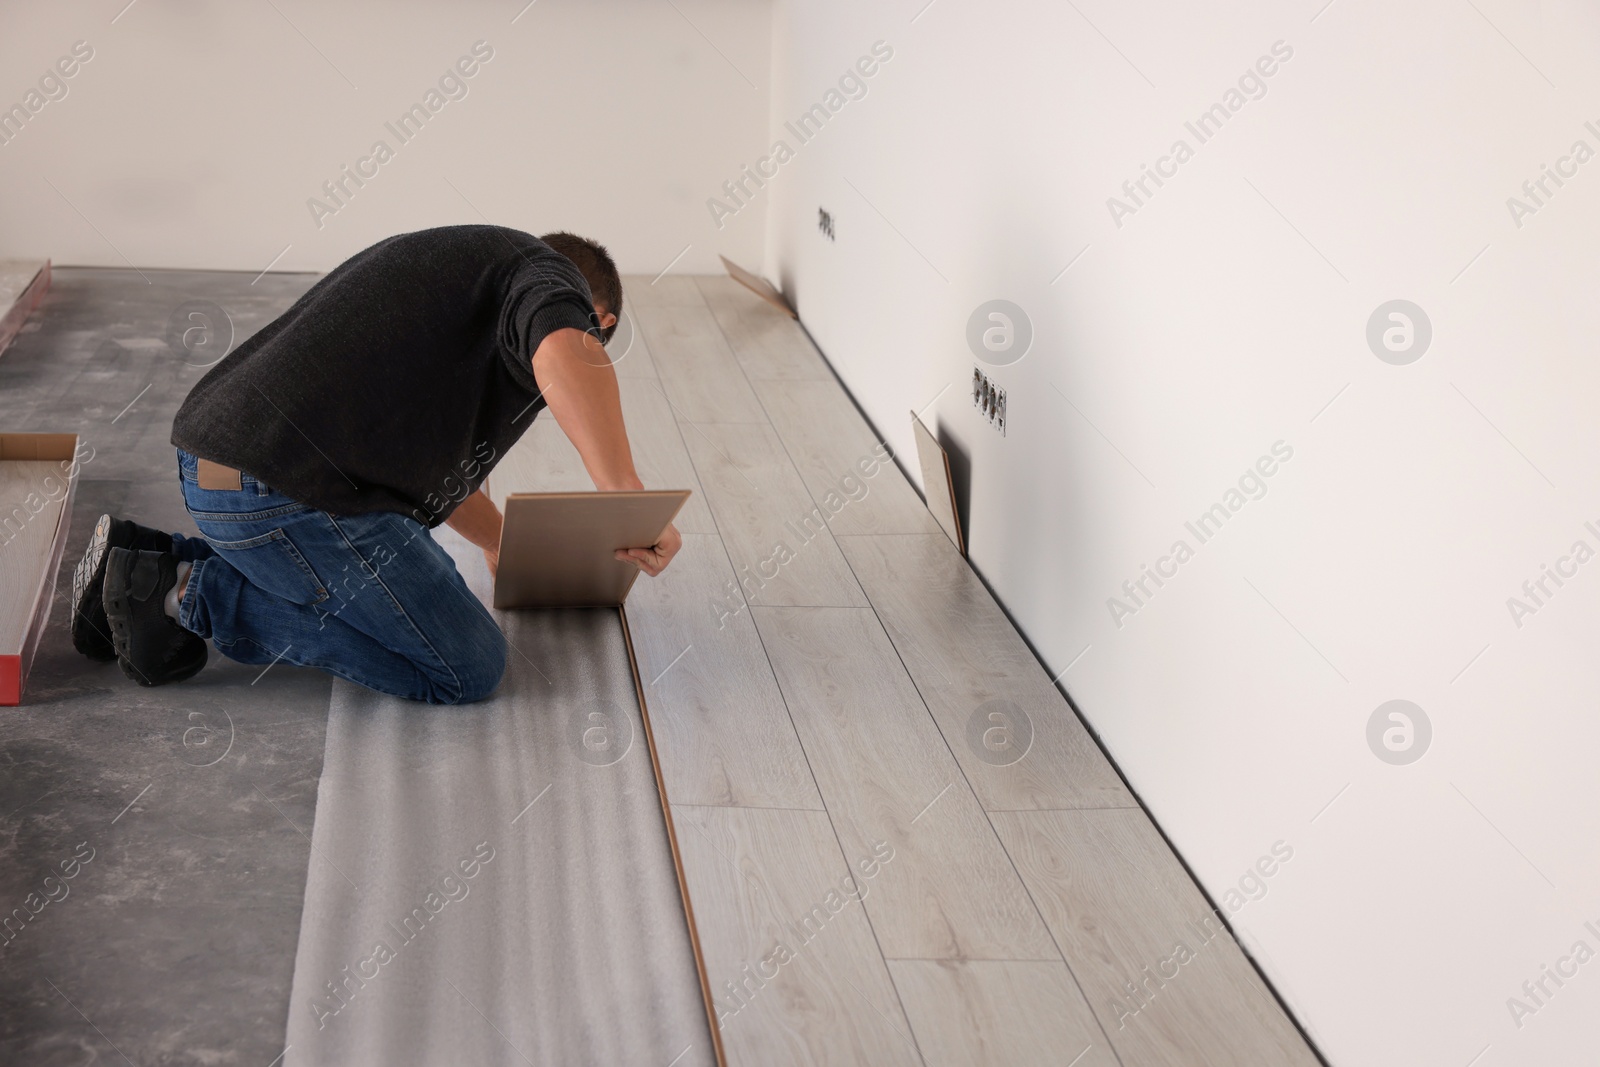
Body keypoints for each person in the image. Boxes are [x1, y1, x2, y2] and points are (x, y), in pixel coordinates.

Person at [69, 225, 680, 703]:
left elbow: (422, 471)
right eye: (588, 332)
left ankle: (140, 558)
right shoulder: (545, 280)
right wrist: (622, 497)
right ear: (599, 321)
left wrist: (504, 545)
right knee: (465, 666)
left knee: (425, 582)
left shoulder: (471, 281)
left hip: (215, 469)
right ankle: (178, 591)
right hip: (275, 493)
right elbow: (561, 347)